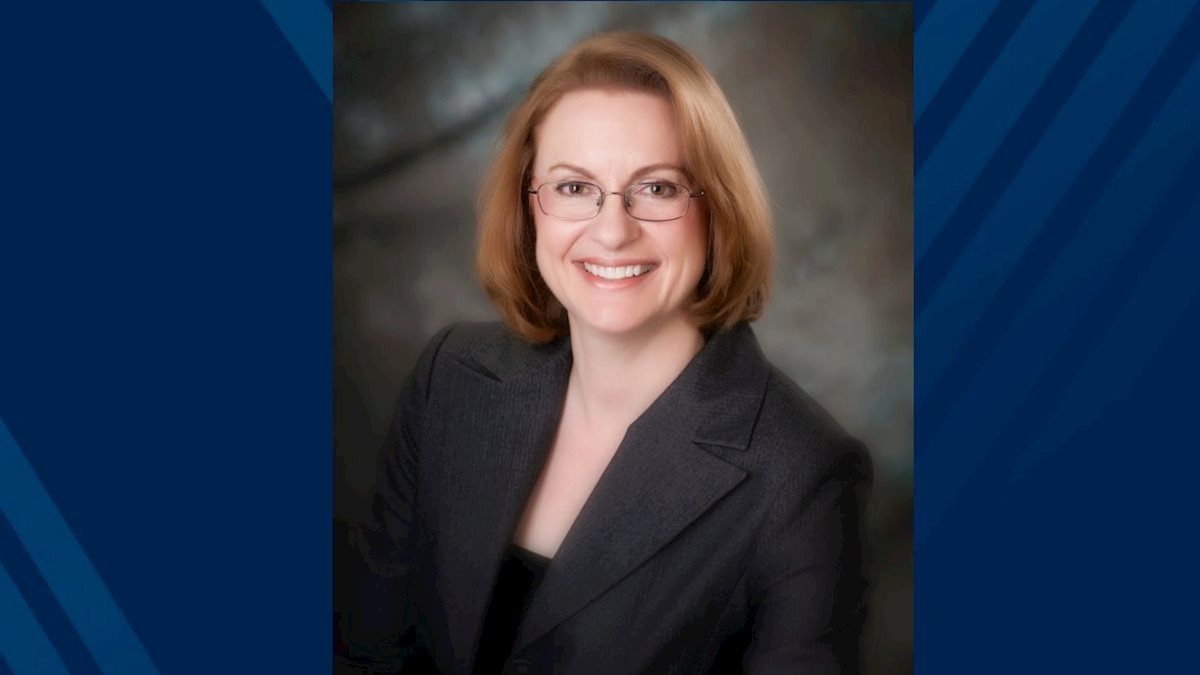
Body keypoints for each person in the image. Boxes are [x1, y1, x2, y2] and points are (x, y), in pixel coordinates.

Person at [337, 30, 871, 675]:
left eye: (658, 188)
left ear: (717, 210)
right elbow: (366, 654)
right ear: (528, 206)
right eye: (573, 188)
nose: (613, 231)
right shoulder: (451, 377)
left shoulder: (803, 477)